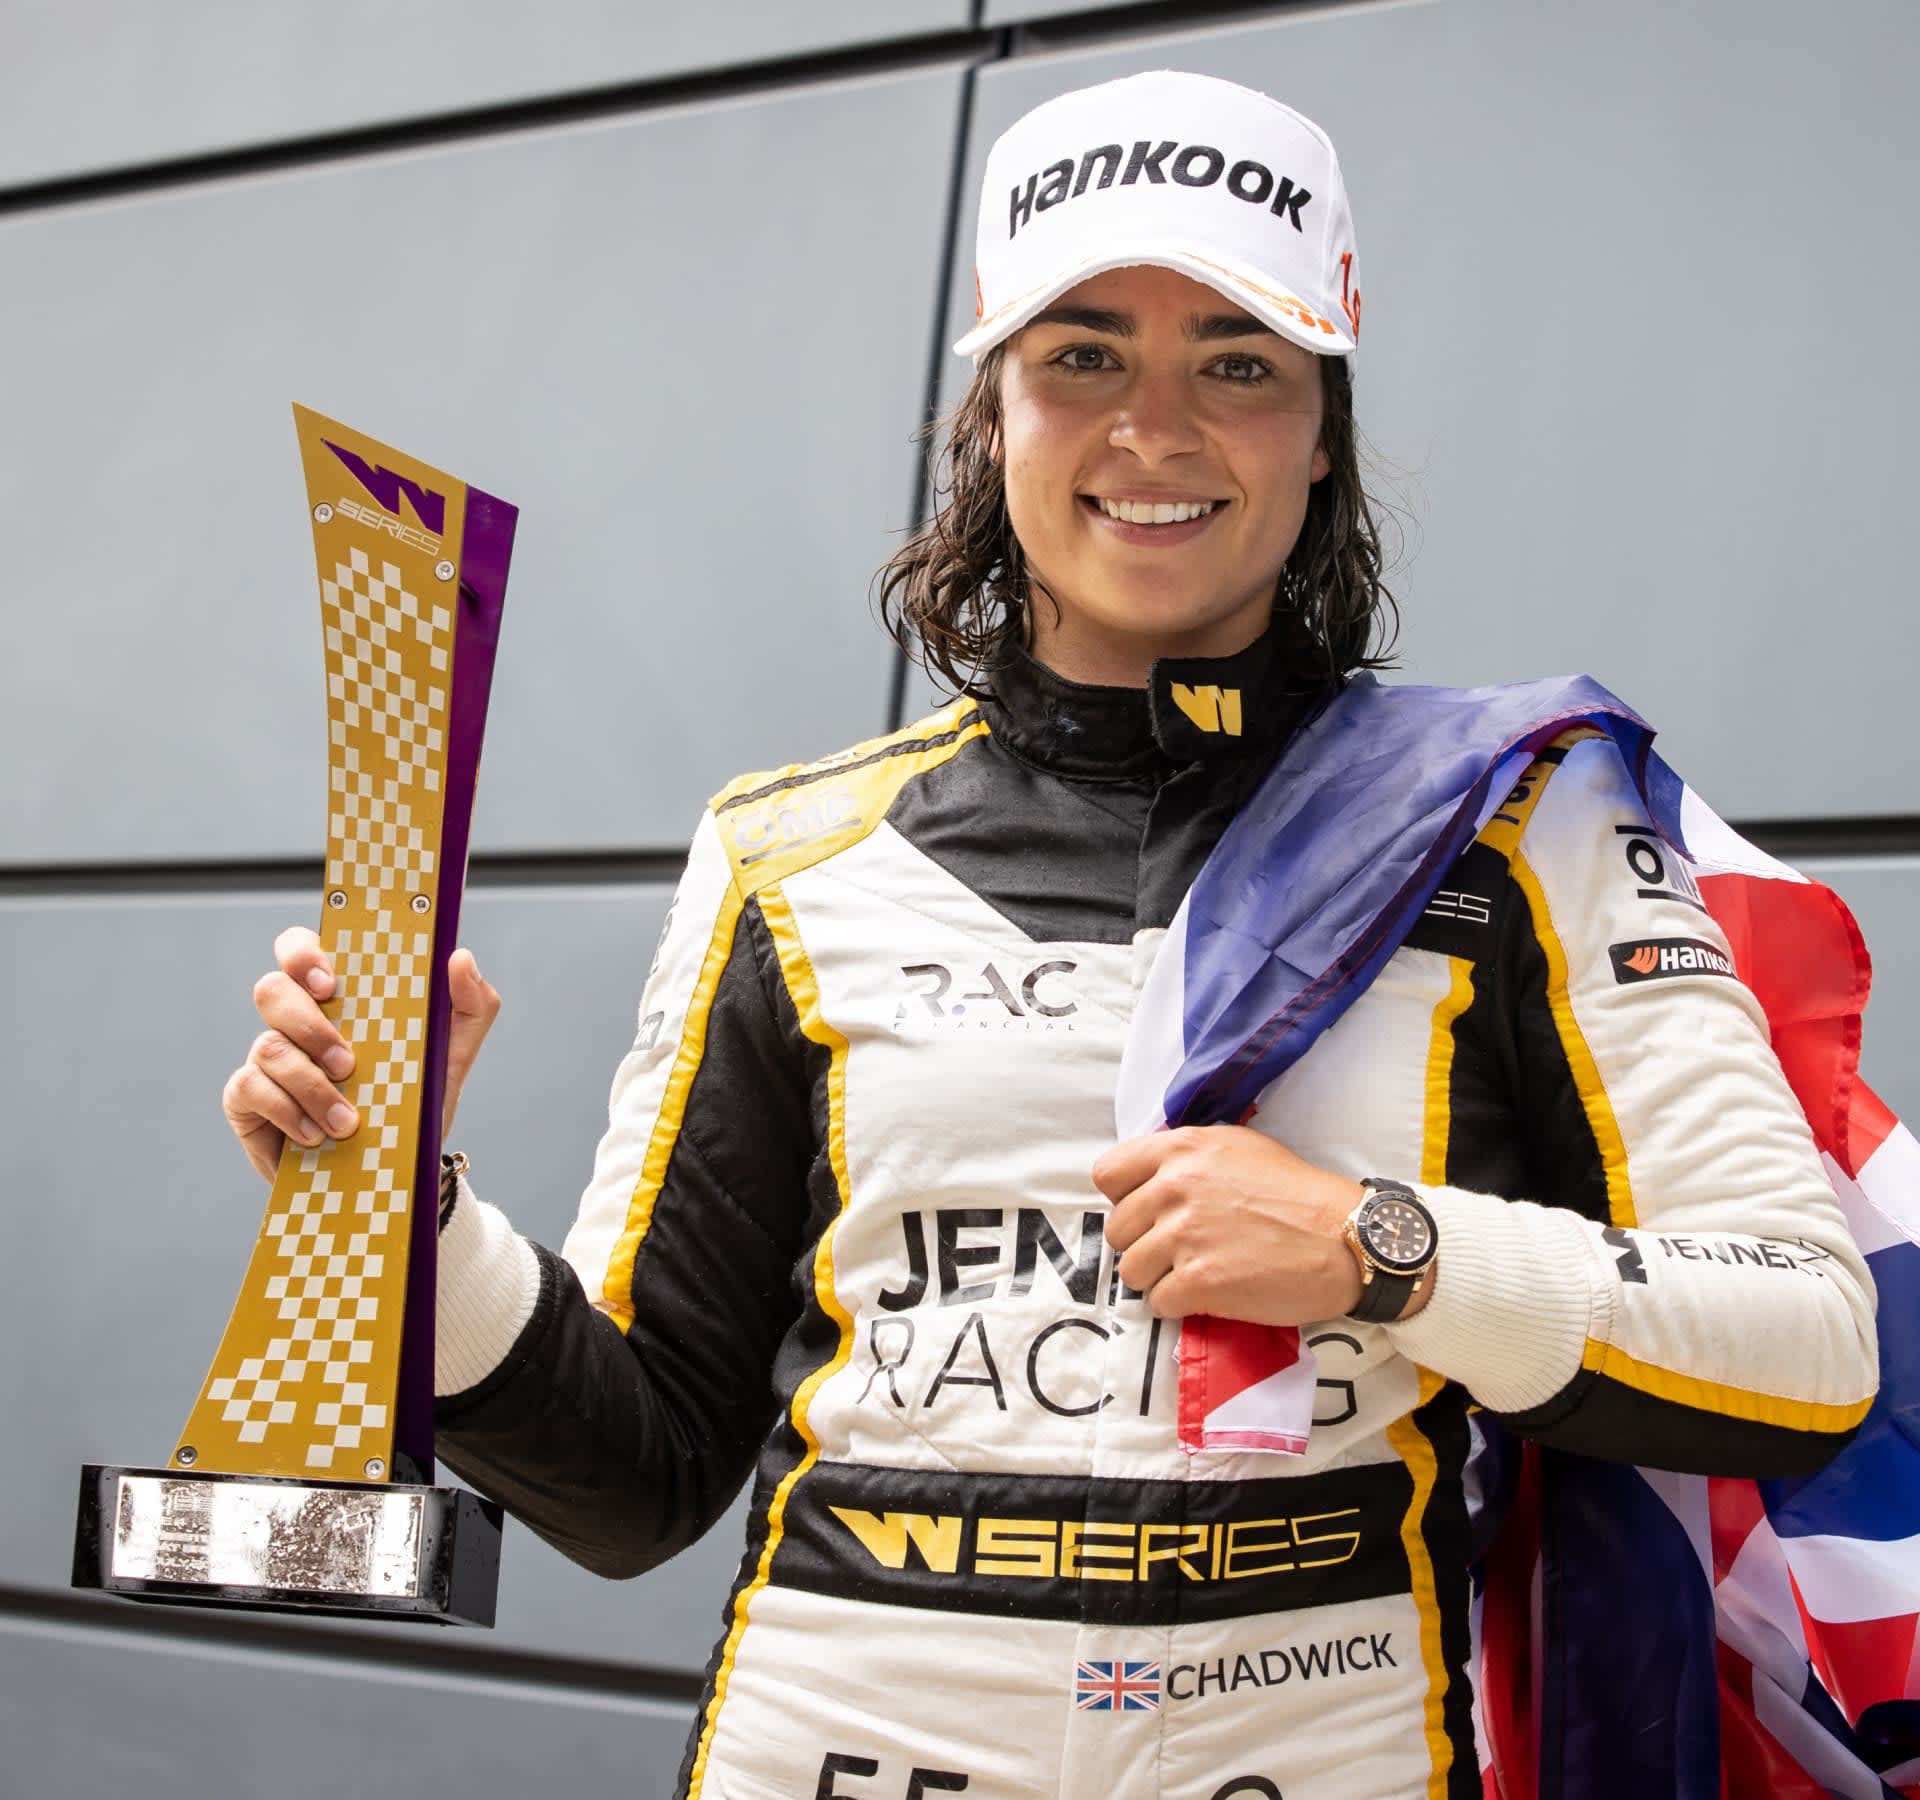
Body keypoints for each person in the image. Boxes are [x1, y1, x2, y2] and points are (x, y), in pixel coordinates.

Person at [221, 71, 1877, 1800]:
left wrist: (1381, 1249)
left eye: (1237, 361)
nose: (1154, 429)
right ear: (991, 417)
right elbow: (634, 1482)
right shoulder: (792, 853)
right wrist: (401, 1207)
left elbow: (1809, 1350)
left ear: (1326, 427)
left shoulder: (1516, 822)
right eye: (1082, 354)